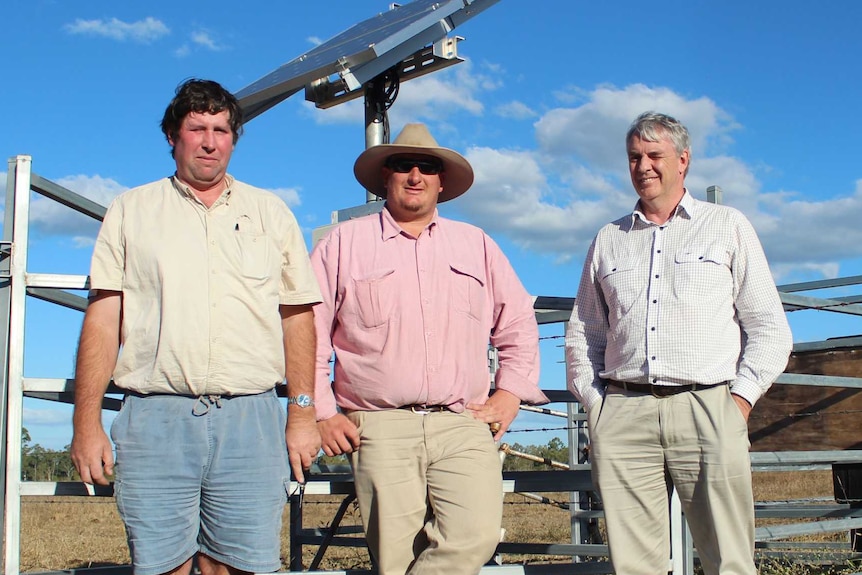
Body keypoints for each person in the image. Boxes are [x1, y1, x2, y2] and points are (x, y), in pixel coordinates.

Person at [70, 78, 322, 575]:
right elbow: (104, 317)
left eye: (222, 130)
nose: (210, 141)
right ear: (172, 135)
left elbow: (298, 316)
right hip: (156, 416)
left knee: (240, 566)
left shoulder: (269, 212)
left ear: (234, 138)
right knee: (164, 566)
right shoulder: (131, 210)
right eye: (197, 127)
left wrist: (302, 414)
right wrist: (86, 422)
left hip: (251, 418)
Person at [310, 123, 548, 575]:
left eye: (428, 166)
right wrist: (322, 411)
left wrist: (509, 393)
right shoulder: (344, 243)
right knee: (394, 559)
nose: (415, 175)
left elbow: (517, 321)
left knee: (474, 537)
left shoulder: (476, 243)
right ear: (386, 176)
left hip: (462, 422)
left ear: (442, 181)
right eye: (404, 165)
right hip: (379, 426)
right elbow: (311, 331)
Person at [566, 111, 793, 575]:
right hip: (624, 412)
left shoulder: (726, 225)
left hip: (708, 406)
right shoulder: (609, 239)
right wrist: (597, 407)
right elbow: (583, 333)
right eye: (634, 157)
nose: (643, 166)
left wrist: (739, 402)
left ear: (683, 160)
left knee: (729, 559)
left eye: (654, 155)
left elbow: (769, 327)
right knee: (634, 565)